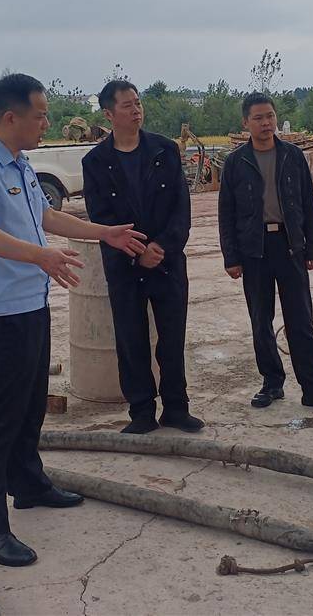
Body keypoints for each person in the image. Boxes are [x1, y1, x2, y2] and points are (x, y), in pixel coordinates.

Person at [0, 73, 147, 568]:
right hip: (0, 315)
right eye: (40, 116)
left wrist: (104, 232)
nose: (46, 123)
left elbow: (47, 217)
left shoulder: (20, 164)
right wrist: (41, 256)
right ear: (10, 117)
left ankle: (29, 484)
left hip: (31, 307)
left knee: (29, 406)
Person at [82, 80, 203, 435]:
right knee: (131, 341)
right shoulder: (96, 162)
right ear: (108, 114)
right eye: (127, 105)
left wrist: (161, 247)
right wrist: (137, 255)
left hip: (167, 262)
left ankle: (176, 408)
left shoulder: (165, 150)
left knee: (172, 340)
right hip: (124, 266)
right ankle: (142, 412)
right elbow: (101, 217)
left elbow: (181, 208)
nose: (136, 110)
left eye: (138, 103)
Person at [219, 93, 313, 413]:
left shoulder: (292, 156)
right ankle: (272, 383)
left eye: (270, 116)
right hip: (254, 250)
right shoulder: (236, 162)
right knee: (261, 320)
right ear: (245, 123)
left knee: (300, 321)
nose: (266, 123)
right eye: (259, 118)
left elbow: (308, 205)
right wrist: (231, 257)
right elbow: (226, 214)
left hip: (290, 247)